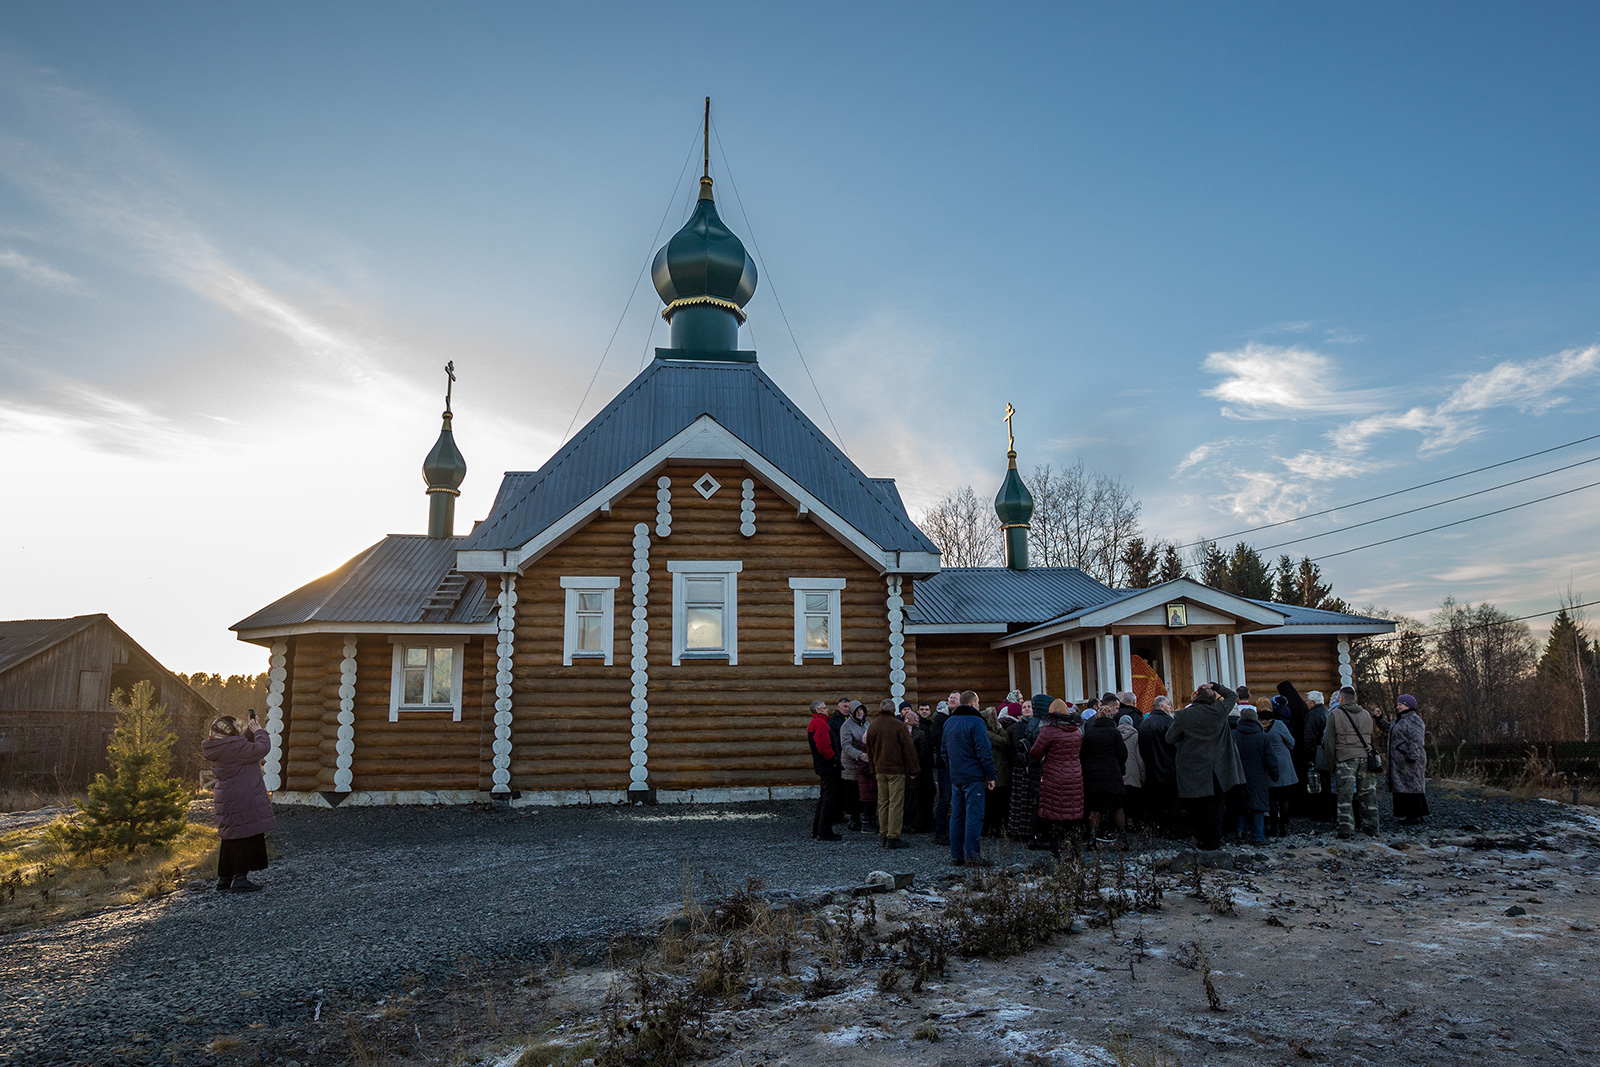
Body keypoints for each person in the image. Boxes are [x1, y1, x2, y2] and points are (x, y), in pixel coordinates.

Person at [1166, 683, 1245, 851]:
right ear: (1212, 699)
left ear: (1195, 698)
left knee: (1196, 808)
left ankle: (1201, 840)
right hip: (1217, 770)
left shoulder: (1183, 715)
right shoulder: (1219, 711)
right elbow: (1232, 695)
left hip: (1193, 771)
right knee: (1215, 809)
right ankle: (1213, 843)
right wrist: (1215, 685)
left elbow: (1169, 738)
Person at [203, 713, 276, 892]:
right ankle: (240, 878)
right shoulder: (235, 748)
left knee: (231, 837)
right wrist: (259, 732)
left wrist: (249, 733)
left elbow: (240, 746)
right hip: (243, 796)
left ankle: (225, 879)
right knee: (246, 835)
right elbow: (261, 748)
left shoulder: (219, 746)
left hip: (228, 796)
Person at [941, 690, 997, 866]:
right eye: (978, 702)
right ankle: (973, 856)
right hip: (973, 775)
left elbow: (944, 751)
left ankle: (956, 855)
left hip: (956, 775)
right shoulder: (977, 722)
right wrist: (991, 775)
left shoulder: (949, 722)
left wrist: (953, 769)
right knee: (974, 815)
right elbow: (984, 751)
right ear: (973, 703)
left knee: (957, 815)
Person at [1030, 699, 1085, 855]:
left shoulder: (1048, 730)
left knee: (1054, 812)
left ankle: (1056, 849)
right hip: (1074, 775)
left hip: (1054, 775)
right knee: (1073, 812)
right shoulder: (1077, 730)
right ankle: (1076, 849)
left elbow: (1035, 752)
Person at [1323, 685, 1379, 839]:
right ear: (1354, 698)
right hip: (1366, 757)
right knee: (1368, 795)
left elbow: (1329, 742)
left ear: (1340, 699)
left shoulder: (1335, 714)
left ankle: (1346, 829)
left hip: (1345, 758)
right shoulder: (1367, 714)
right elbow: (1370, 738)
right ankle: (1372, 827)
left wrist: (1331, 764)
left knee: (1345, 796)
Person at [866, 698, 920, 849]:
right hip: (896, 770)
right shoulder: (899, 726)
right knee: (895, 803)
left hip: (880, 770)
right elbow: (909, 749)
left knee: (883, 803)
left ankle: (883, 833)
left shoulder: (873, 726)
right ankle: (893, 836)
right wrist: (914, 769)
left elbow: (869, 750)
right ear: (894, 709)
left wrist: (872, 768)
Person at [1079, 700, 1128, 844]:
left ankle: (1092, 838)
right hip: (1112, 773)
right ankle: (1123, 838)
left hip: (1093, 775)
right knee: (1118, 807)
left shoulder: (1090, 733)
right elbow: (1123, 754)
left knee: (1095, 808)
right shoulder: (1115, 732)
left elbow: (1083, 755)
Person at [1231, 705, 1279, 845]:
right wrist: (1274, 774)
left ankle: (1240, 832)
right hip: (1258, 776)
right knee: (1257, 806)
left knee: (1241, 804)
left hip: (1238, 775)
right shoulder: (1262, 736)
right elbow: (1270, 759)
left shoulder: (1233, 735)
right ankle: (1258, 836)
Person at [1006, 694, 1049, 845]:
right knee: (1022, 800)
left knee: (1031, 800)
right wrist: (1024, 762)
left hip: (1034, 766)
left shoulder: (1038, 725)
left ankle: (1030, 831)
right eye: (1024, 707)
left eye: (1029, 707)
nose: (1026, 709)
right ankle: (1020, 831)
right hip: (1022, 766)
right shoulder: (1020, 726)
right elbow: (1017, 747)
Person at [1138, 696, 1179, 833]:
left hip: (1151, 768)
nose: (1171, 708)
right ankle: (1173, 830)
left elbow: (1141, 749)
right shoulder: (1169, 721)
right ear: (1161, 706)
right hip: (1169, 768)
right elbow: (1175, 746)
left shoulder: (1144, 724)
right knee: (1172, 802)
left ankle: (1157, 829)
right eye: (1169, 705)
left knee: (1155, 802)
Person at [1387, 695, 1430, 825]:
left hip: (1409, 760)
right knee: (1404, 787)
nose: (1398, 706)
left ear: (1408, 705)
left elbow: (1416, 740)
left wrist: (1412, 756)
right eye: (1398, 704)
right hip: (1400, 761)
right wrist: (1379, 719)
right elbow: (1390, 729)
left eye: (1401, 704)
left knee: (1412, 787)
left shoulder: (1414, 720)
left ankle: (1414, 815)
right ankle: (1410, 814)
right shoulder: (1400, 720)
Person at [1261, 699, 1299, 837]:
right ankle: (1284, 827)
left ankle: (1273, 826)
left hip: (1267, 764)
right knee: (1284, 798)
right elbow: (1291, 742)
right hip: (1283, 764)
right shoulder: (1279, 725)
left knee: (1272, 797)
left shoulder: (1259, 726)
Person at [807, 700, 842, 840]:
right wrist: (834, 760)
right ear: (818, 710)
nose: (827, 710)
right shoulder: (821, 723)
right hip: (828, 766)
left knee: (823, 798)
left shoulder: (814, 723)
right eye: (824, 708)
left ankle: (817, 829)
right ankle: (824, 831)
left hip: (822, 766)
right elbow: (823, 746)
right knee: (829, 798)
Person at [1300, 689, 1332, 821]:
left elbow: (1309, 737)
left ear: (1313, 702)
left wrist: (1308, 756)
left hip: (1316, 754)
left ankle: (1321, 813)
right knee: (1327, 784)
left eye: (1307, 701)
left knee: (1318, 786)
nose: (1306, 703)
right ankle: (1328, 811)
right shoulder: (1325, 712)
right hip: (1325, 753)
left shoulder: (1312, 715)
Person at [980, 705, 1013, 836]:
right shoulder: (988, 734)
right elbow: (1004, 742)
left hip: (996, 772)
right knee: (994, 803)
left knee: (993, 803)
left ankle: (992, 828)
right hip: (996, 773)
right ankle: (993, 828)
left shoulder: (985, 733)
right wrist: (1000, 729)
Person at [839, 699, 870, 832]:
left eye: (861, 710)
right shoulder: (846, 726)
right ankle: (854, 818)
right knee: (853, 792)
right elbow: (846, 745)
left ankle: (862, 817)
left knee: (863, 791)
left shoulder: (866, 724)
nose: (859, 713)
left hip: (865, 764)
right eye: (857, 711)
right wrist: (859, 755)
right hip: (852, 764)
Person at [906, 701, 937, 832]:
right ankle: (918, 823)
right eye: (921, 710)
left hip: (916, 768)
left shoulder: (931, 725)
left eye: (926, 709)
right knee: (917, 797)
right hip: (919, 768)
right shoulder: (918, 732)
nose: (924, 712)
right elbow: (924, 752)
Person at [932, 693, 958, 846]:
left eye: (955, 698)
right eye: (950, 698)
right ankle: (940, 833)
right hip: (945, 765)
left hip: (959, 765)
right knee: (945, 798)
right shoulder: (940, 718)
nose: (952, 700)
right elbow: (936, 739)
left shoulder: (962, 717)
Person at [828, 698, 856, 830]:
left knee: (846, 788)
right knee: (836, 788)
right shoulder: (833, 722)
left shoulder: (850, 720)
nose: (847, 709)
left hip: (849, 759)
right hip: (839, 758)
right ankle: (835, 814)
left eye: (848, 707)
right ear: (839, 707)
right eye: (845, 706)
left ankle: (844, 811)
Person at [1117, 713, 1145, 828]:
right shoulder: (1135, 736)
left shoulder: (1116, 735)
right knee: (1134, 800)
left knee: (1123, 802)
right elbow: (1139, 757)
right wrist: (1143, 774)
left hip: (1120, 772)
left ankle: (1124, 823)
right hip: (1133, 771)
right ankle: (1135, 822)